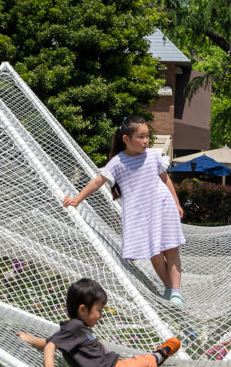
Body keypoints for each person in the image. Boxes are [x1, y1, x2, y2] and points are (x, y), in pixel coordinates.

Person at [62, 116, 186, 305]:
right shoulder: (118, 162)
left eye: (147, 136)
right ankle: (169, 287)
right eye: (140, 137)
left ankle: (176, 291)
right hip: (142, 215)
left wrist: (176, 203)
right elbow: (97, 182)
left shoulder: (153, 155)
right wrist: (76, 199)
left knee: (171, 248)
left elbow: (165, 179)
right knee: (155, 253)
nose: (145, 141)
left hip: (163, 206)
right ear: (126, 139)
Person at [17, 278, 206, 367]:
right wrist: (49, 366)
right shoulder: (74, 326)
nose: (100, 315)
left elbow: (49, 342)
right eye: (98, 310)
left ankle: (161, 354)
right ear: (83, 310)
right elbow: (51, 345)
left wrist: (30, 340)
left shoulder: (78, 328)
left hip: (114, 365)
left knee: (142, 360)